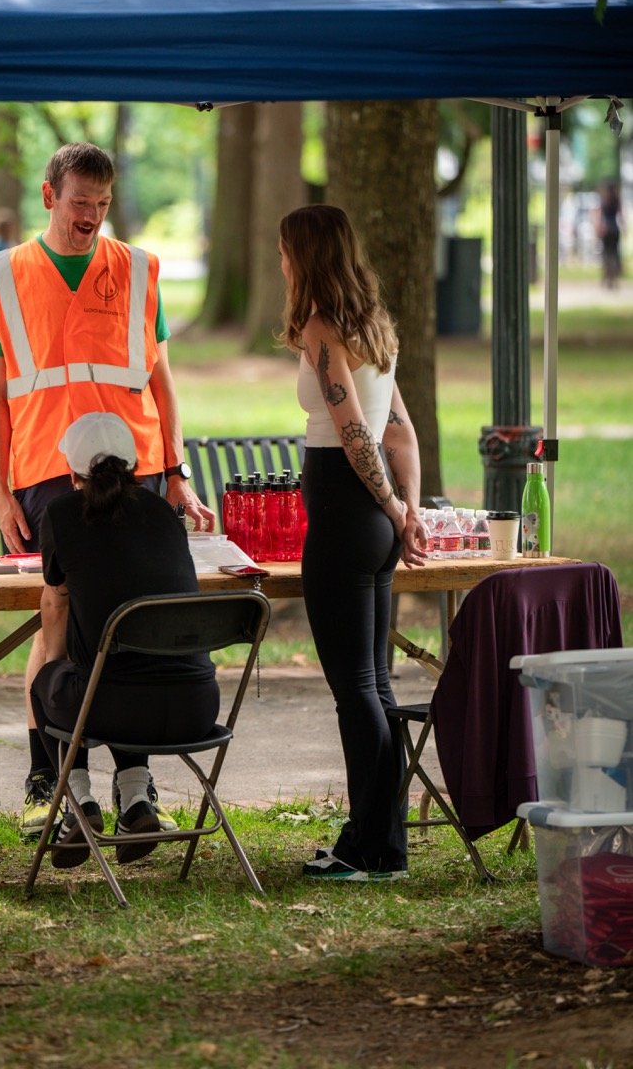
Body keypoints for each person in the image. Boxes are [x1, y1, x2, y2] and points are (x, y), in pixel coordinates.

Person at [0, 142, 214, 840]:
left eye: (103, 204)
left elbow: (162, 381)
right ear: (49, 196)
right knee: (62, 617)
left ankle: (133, 787)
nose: (91, 216)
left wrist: (177, 473)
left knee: (127, 617)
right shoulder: (6, 275)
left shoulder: (138, 269)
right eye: (80, 202)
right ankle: (50, 782)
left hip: (135, 470)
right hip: (47, 472)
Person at [278, 204, 427, 881]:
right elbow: (402, 430)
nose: (281, 263)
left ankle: (369, 848)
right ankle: (379, 842)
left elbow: (356, 432)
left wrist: (394, 505)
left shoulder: (323, 329)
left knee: (356, 689)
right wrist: (407, 510)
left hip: (346, 516)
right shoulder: (376, 327)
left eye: (286, 251)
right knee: (377, 686)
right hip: (376, 524)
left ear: (307, 256)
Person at [33, 412, 220, 867]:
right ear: (134, 466)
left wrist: (57, 670)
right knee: (128, 667)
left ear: (73, 474)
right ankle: (136, 801)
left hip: (110, 708)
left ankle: (77, 803)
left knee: (56, 682)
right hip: (197, 708)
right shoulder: (163, 513)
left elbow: (56, 602)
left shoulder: (62, 514)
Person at [593, 181, 623, 289]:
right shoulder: (616, 200)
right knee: (614, 254)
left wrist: (598, 228)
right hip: (614, 229)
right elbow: (621, 215)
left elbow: (600, 216)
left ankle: (606, 278)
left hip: (606, 230)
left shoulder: (604, 200)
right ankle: (613, 279)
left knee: (606, 254)